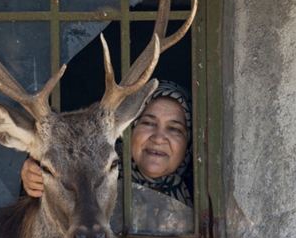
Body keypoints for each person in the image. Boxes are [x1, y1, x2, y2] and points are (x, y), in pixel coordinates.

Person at [21, 80, 193, 206]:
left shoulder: (204, 194)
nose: (158, 137)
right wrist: (37, 171)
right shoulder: (95, 175)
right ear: (129, 127)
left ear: (189, 141)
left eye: (175, 129)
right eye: (148, 123)